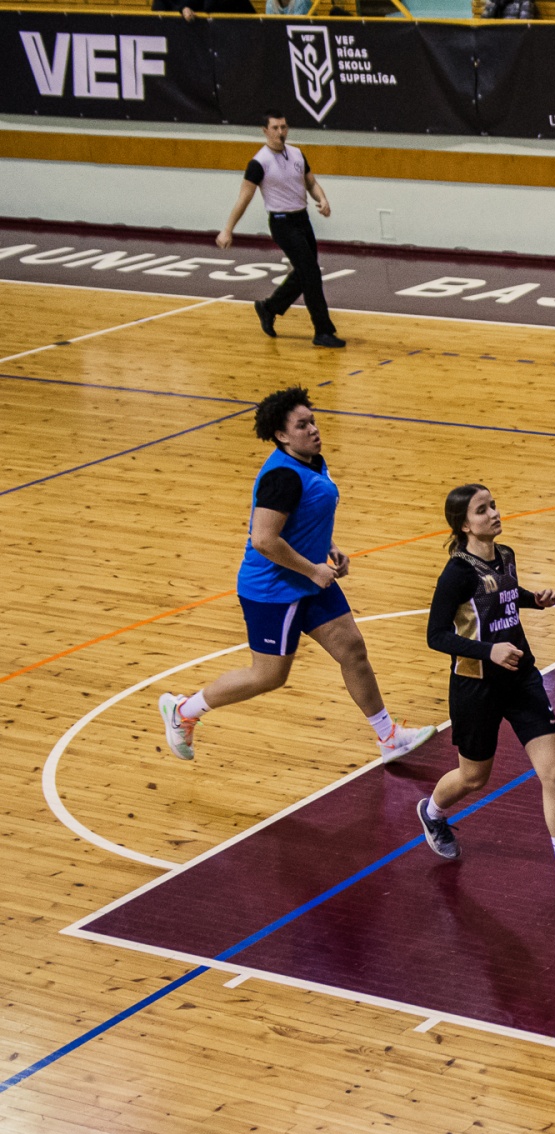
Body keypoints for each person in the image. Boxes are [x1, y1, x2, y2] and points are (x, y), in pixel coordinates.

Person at [158, 388, 434, 767]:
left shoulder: (311, 462)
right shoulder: (283, 477)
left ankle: (388, 737)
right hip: (275, 590)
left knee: (352, 650)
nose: (314, 430)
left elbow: (304, 517)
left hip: (309, 579)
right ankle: (184, 711)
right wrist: (313, 568)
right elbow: (264, 539)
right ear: (282, 435)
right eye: (302, 425)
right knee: (269, 677)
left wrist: (329, 547)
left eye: (313, 421)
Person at [416, 485, 555, 892]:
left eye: (493, 505)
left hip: (520, 678)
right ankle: (432, 813)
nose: (494, 514)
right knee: (473, 778)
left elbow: (503, 592)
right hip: (475, 686)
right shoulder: (456, 573)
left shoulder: (505, 555)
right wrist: (489, 650)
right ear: (465, 525)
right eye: (482, 510)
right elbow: (435, 635)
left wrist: (535, 600)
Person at [217, 110, 344, 349]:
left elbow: (311, 183)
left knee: (305, 272)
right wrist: (228, 229)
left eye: (283, 127)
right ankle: (323, 331)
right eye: (275, 128)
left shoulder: (297, 154)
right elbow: (244, 198)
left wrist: (322, 199)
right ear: (265, 131)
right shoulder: (259, 162)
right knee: (311, 274)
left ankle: (269, 307)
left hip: (302, 220)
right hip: (282, 223)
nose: (280, 132)